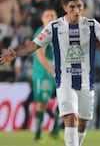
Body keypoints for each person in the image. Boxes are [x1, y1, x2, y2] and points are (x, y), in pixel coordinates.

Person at [0, 0, 100, 146]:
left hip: (86, 82)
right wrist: (15, 53)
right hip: (64, 81)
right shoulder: (55, 27)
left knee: (82, 123)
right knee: (70, 118)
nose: (76, 11)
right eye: (72, 7)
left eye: (79, 6)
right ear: (64, 7)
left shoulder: (91, 25)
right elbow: (34, 46)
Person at [31, 7, 60, 142]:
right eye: (46, 16)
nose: (49, 18)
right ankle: (37, 135)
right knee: (42, 104)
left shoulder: (58, 33)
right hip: (43, 73)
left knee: (67, 99)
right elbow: (40, 55)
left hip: (54, 72)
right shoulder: (41, 33)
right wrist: (53, 71)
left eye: (52, 15)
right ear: (42, 19)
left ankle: (55, 130)